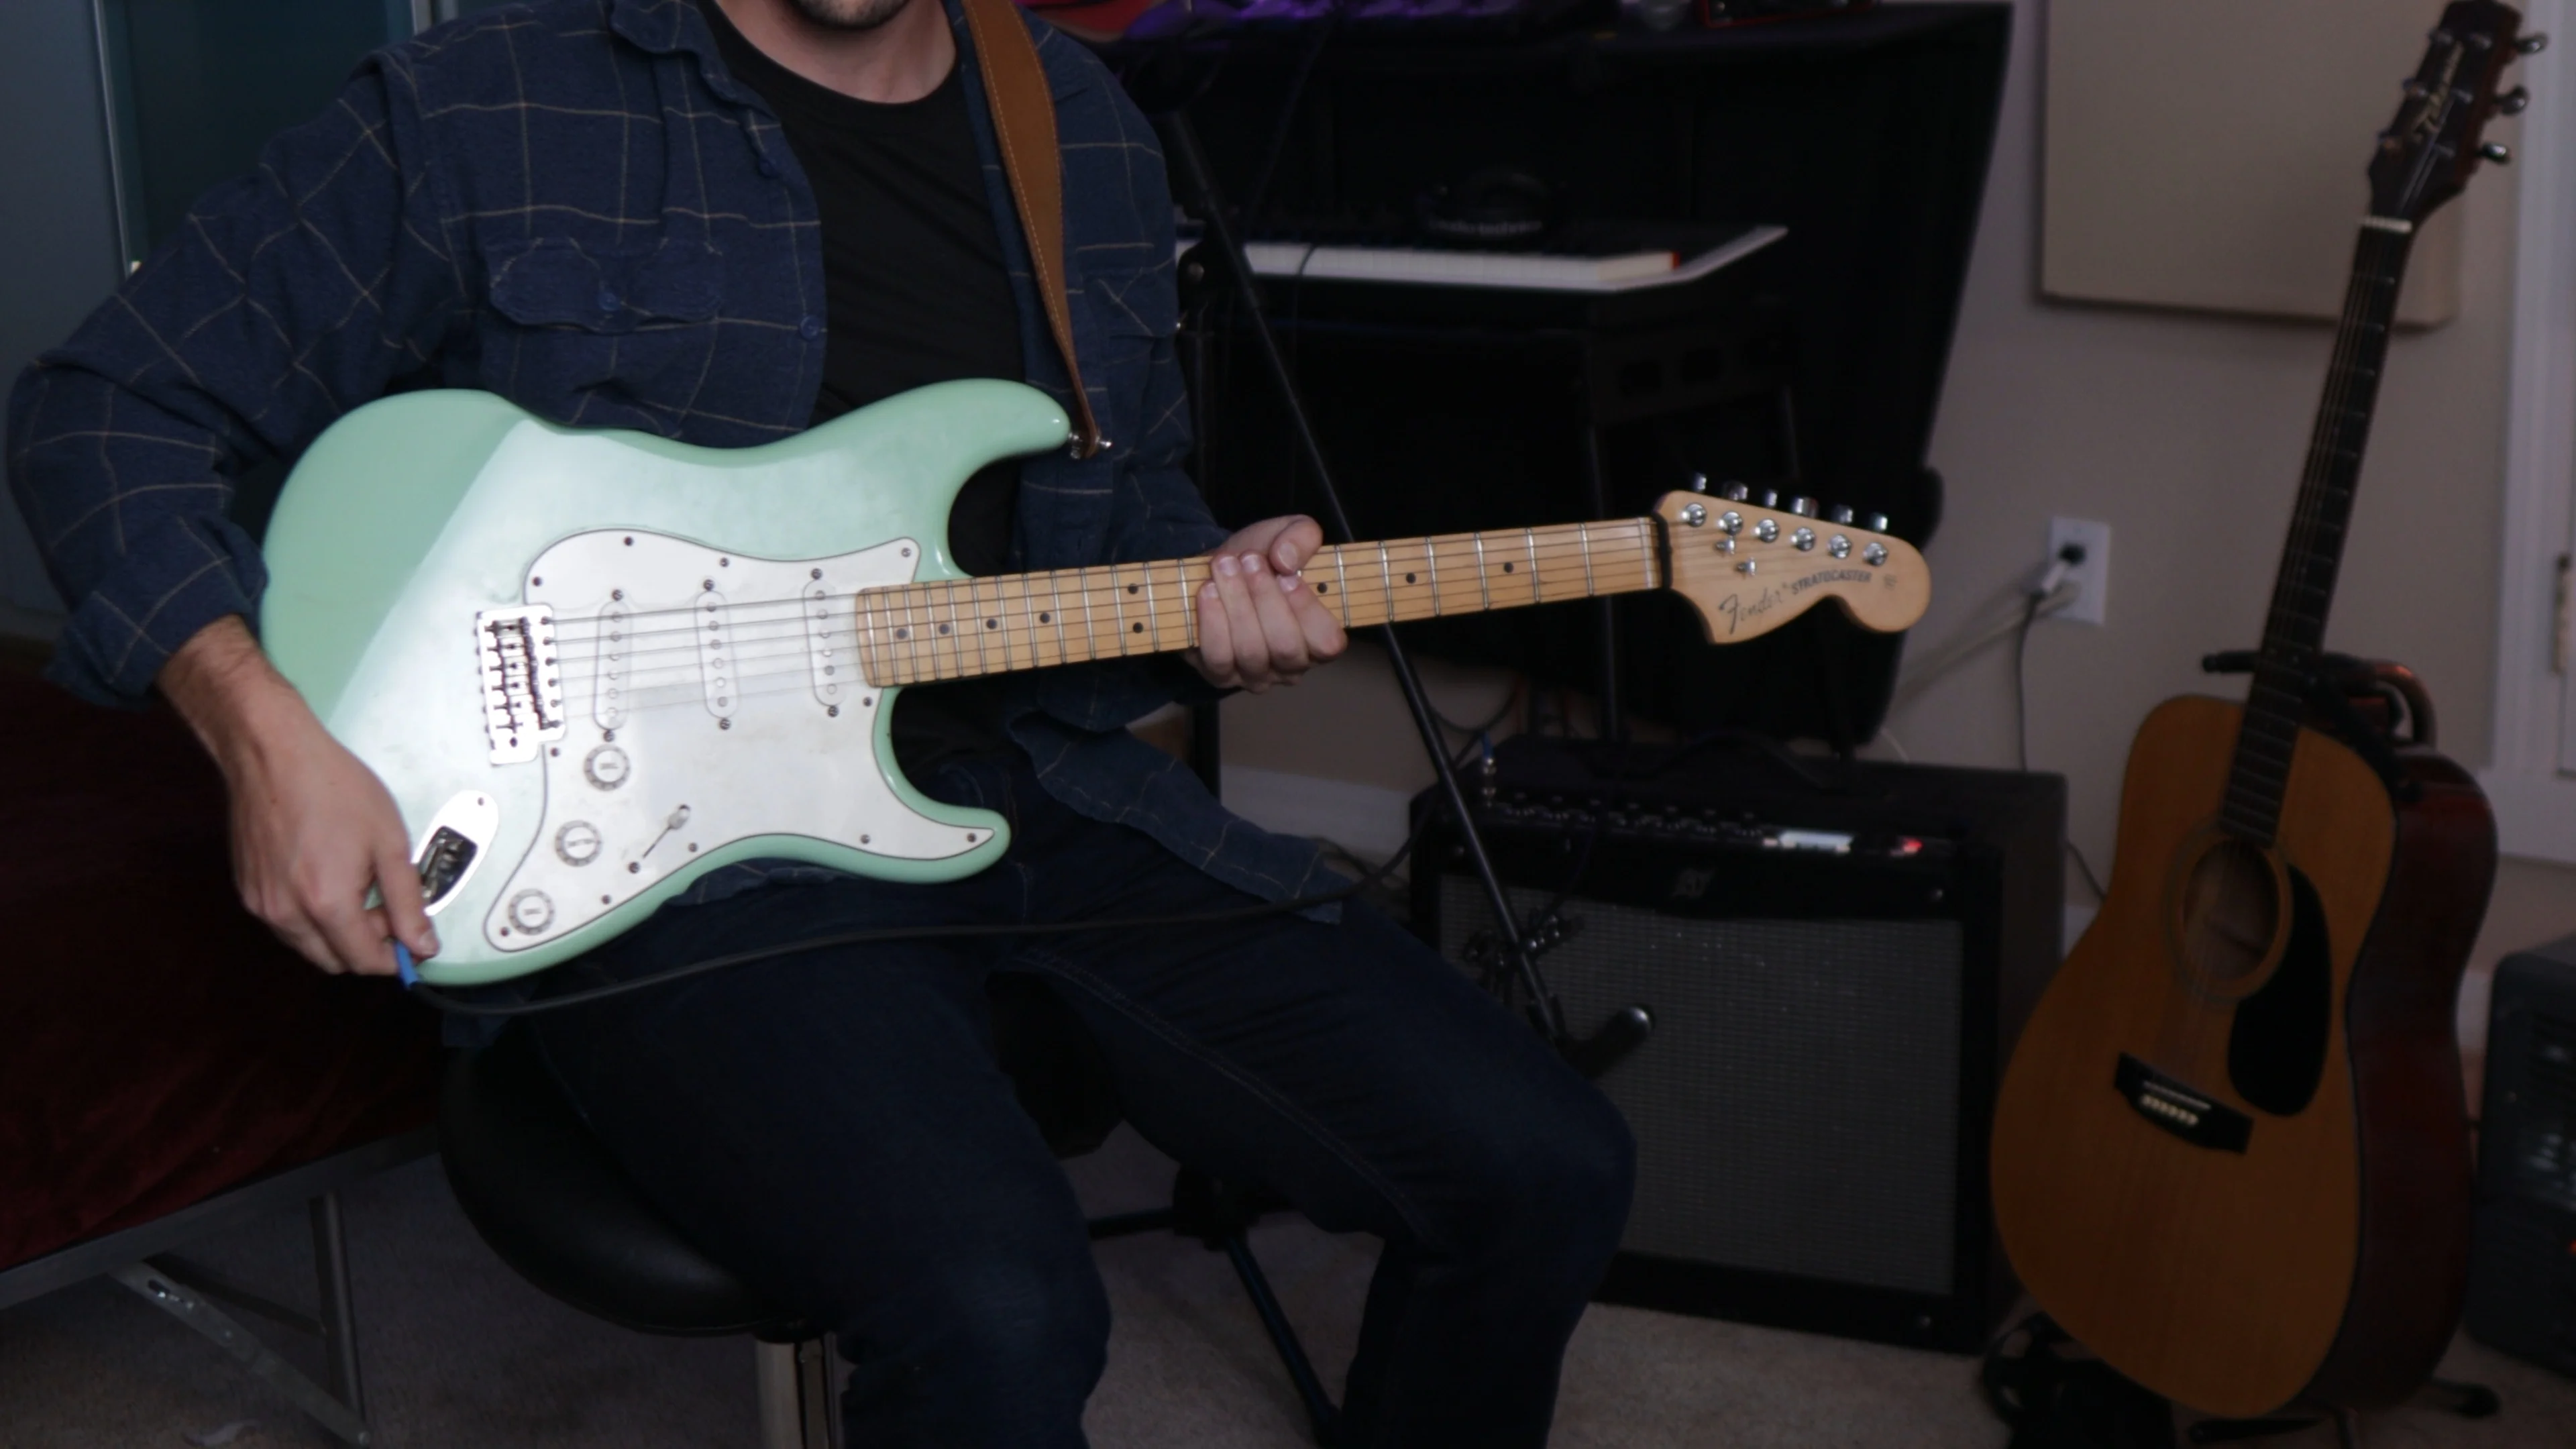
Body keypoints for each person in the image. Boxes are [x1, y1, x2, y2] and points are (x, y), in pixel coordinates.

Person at [7, 0, 1634, 1442]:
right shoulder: (486, 106)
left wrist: (1216, 601)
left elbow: (1115, 518)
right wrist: (262, 732)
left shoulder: (1077, 128)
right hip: (677, 864)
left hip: (1042, 786)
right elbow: (103, 406)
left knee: (1542, 1165)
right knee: (999, 1316)